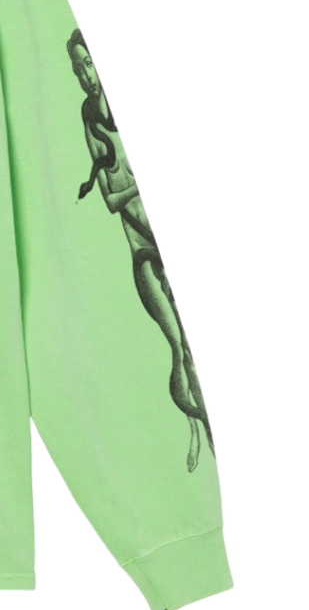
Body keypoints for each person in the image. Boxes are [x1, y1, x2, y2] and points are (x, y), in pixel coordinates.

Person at [66, 28, 213, 471]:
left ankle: (198, 434)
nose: (86, 75)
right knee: (175, 347)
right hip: (142, 255)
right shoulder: (91, 121)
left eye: (88, 64)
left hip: (152, 243)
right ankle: (192, 434)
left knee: (183, 350)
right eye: (78, 69)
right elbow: (112, 201)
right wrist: (127, 184)